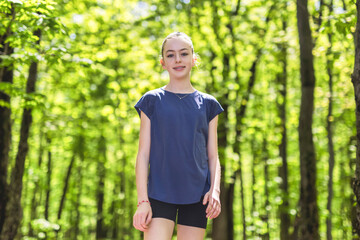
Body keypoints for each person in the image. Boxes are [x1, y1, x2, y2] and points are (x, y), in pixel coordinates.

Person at [133, 32, 223, 240]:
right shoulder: (151, 100)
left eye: (183, 54)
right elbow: (143, 154)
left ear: (194, 59)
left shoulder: (209, 105)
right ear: (163, 62)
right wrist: (142, 201)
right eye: (171, 55)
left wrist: (214, 190)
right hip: (159, 194)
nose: (178, 60)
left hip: (197, 196)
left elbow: (213, 156)